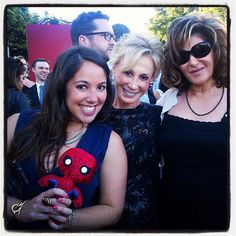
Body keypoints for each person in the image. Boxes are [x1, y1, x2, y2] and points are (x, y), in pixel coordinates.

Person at [5, 46, 127, 231]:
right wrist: (20, 209)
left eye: (101, 87)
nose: (94, 98)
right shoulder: (16, 124)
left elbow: (112, 209)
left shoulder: (110, 141)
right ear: (61, 86)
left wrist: (68, 219)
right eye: (82, 86)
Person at [156, 14, 229, 230]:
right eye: (183, 56)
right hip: (168, 218)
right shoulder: (168, 99)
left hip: (219, 222)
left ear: (216, 50)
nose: (193, 62)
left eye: (200, 50)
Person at [106, 33, 164, 230]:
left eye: (143, 77)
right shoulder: (93, 115)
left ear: (151, 80)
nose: (133, 84)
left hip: (148, 222)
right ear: (114, 68)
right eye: (128, 73)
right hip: (97, 221)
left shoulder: (158, 117)